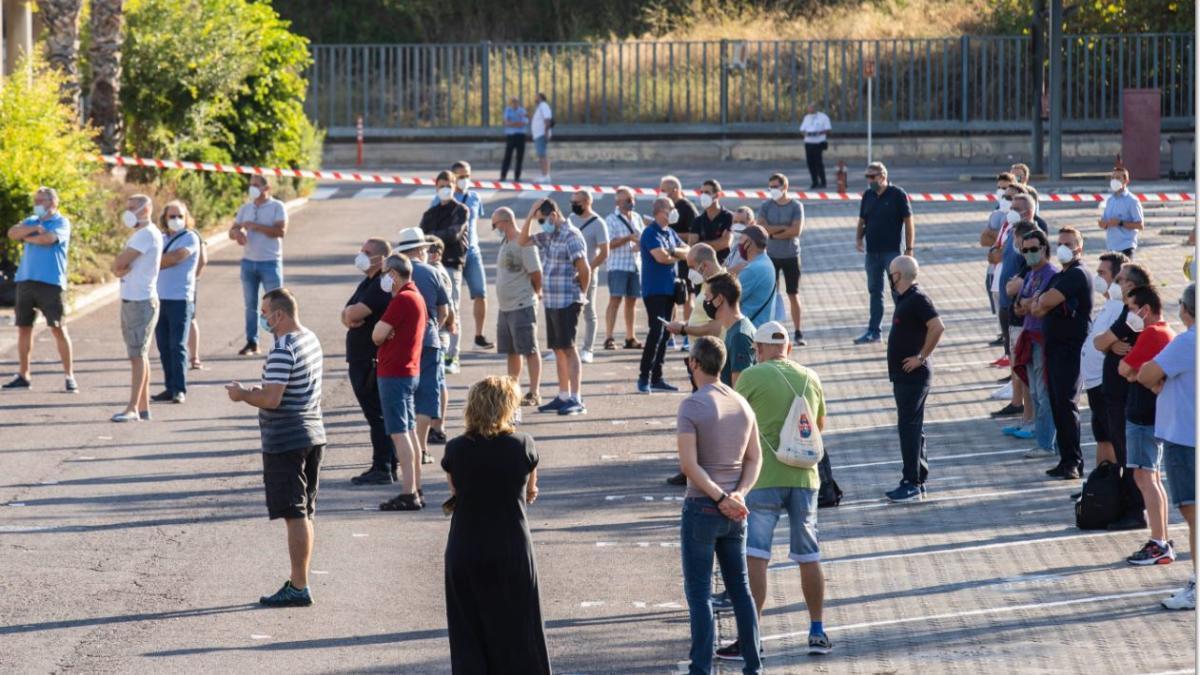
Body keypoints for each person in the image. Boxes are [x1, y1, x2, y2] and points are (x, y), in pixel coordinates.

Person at [723, 321, 832, 660]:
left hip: (763, 478)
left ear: (758, 348)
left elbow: (733, 421)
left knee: (756, 555)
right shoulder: (811, 377)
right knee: (809, 555)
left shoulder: (752, 377)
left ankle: (752, 635)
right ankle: (816, 630)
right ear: (789, 348)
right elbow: (818, 424)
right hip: (804, 477)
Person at [225, 287, 325, 608]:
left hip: (287, 439)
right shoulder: (309, 338)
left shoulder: (283, 348)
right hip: (312, 433)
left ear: (280, 314)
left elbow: (272, 399)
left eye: (265, 312)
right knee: (305, 511)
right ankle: (299, 580)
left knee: (294, 513)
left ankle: (299, 585)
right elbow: (280, 388)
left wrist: (243, 394)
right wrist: (257, 389)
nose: (263, 318)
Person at [442, 375, 550, 673]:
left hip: (466, 547)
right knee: (519, 633)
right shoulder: (523, 445)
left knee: (469, 636)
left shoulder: (455, 449)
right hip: (511, 546)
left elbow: (455, 490)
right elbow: (530, 493)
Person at [676, 336, 764, 675]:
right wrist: (739, 494)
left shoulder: (692, 405)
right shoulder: (742, 403)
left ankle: (701, 668)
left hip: (702, 507)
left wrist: (719, 497)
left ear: (695, 364)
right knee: (740, 590)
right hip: (735, 513)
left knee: (699, 594)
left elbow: (689, 465)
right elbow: (755, 458)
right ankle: (753, 665)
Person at [1137, 284, 1196, 609]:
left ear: (1186, 310)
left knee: (1193, 513)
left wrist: (1160, 381)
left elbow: (1147, 373)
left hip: (1186, 438)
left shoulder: (1188, 341)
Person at [1118, 285, 1176, 565]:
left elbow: (1124, 369)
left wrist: (1136, 374)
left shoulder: (1153, 332)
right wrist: (1137, 374)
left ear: (1145, 309)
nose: (1129, 314)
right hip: (1151, 413)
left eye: (1131, 309)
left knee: (1145, 478)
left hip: (1143, 416)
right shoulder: (1164, 331)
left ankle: (1158, 541)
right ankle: (1161, 536)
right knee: (1150, 477)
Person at [1093, 262, 1153, 529]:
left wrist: (1108, 343)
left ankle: (1134, 512)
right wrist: (1108, 344)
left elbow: (1104, 341)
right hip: (1114, 393)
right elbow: (1100, 342)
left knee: (1129, 454)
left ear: (1132, 285)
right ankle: (1127, 506)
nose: (1115, 283)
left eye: (1120, 279)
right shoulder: (1124, 309)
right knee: (1121, 449)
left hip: (1127, 395)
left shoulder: (1136, 311)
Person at [1031, 227, 1093, 479]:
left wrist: (1040, 301)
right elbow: (1035, 308)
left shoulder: (1076, 274)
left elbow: (1042, 303)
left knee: (1066, 404)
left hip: (1071, 349)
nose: (1063, 247)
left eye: (1068, 243)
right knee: (1057, 403)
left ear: (1079, 247)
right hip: (1054, 348)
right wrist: (1039, 301)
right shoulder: (1061, 275)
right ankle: (1066, 458)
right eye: (1060, 243)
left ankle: (1074, 462)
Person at [519, 198, 590, 416]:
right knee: (558, 349)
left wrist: (582, 294)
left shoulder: (571, 236)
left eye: (542, 220)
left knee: (569, 349)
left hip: (568, 300)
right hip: (551, 300)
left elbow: (584, 267)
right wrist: (531, 214)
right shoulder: (549, 235)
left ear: (553, 216)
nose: (541, 224)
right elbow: (523, 241)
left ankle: (576, 398)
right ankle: (563, 395)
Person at [4, 187, 77, 392]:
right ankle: (23, 374)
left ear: (53, 202)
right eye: (35, 200)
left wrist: (27, 236)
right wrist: (31, 232)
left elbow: (48, 240)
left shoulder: (62, 222)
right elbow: (12, 233)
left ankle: (69, 375)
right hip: (26, 280)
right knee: (24, 328)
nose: (37, 204)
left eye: (41, 200)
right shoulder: (32, 220)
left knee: (58, 328)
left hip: (51, 283)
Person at [885, 256, 944, 502]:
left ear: (898, 275)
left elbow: (938, 326)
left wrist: (920, 357)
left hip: (914, 376)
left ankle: (911, 482)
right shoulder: (905, 298)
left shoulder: (918, 298)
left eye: (890, 273)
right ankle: (918, 478)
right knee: (913, 428)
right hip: (904, 377)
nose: (889, 277)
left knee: (908, 428)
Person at [373, 254, 428, 512]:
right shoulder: (415, 295)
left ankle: (409, 493)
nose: (383, 277)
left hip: (395, 372)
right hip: (408, 371)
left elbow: (377, 334)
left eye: (385, 273)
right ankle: (415, 486)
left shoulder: (403, 298)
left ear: (394, 275)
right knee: (408, 431)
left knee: (400, 433)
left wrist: (385, 332)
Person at [393, 230, 451, 467]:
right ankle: (422, 449)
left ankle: (402, 450)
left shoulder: (392, 274)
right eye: (425, 249)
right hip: (428, 340)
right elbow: (445, 310)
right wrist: (434, 327)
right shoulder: (433, 272)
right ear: (419, 250)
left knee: (403, 396)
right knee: (427, 395)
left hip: (400, 341)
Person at [343, 238, 398, 486]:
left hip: (369, 360)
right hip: (361, 358)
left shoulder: (380, 285)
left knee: (377, 414)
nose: (361, 255)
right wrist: (349, 315)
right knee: (376, 413)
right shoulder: (368, 281)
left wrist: (350, 315)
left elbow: (353, 313)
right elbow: (346, 313)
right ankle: (387, 462)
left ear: (380, 258)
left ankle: (383, 466)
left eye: (366, 252)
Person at [110, 195, 163, 423]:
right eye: (127, 206)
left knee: (137, 355)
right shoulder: (141, 235)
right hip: (134, 299)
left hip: (140, 301)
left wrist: (119, 267)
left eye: (133, 207)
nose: (128, 211)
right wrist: (119, 268)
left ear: (146, 209)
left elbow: (119, 264)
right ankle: (143, 407)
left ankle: (132, 408)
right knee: (139, 354)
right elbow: (119, 266)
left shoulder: (146, 234)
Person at [1008, 229, 1059, 461]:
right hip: (1029, 337)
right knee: (1036, 392)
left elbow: (1040, 304)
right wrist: (1029, 303)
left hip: (1043, 338)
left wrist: (1029, 303)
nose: (1029, 254)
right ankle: (1044, 439)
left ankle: (1046, 443)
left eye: (1033, 249)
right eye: (1025, 250)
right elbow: (1020, 305)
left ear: (1044, 249)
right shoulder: (1030, 274)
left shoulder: (1051, 273)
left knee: (1043, 392)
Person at [1079, 253, 1130, 471]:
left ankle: (1117, 488)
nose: (1098, 277)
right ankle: (1101, 486)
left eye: (1102, 273)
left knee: (1113, 436)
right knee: (1102, 435)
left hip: (1105, 382)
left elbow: (1116, 342)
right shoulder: (1110, 304)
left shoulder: (1121, 308)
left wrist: (1108, 344)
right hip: (1094, 383)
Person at [854, 162, 914, 344]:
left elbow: (909, 222)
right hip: (872, 253)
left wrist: (909, 249)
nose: (869, 181)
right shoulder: (868, 195)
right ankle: (874, 331)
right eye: (867, 177)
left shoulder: (898, 195)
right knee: (875, 291)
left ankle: (905, 329)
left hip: (893, 252)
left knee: (899, 291)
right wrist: (858, 238)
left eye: (872, 177)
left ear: (883, 176)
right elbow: (862, 219)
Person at [230, 175, 287, 356]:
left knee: (277, 304)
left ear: (266, 187)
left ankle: (280, 342)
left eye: (256, 185)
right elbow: (232, 230)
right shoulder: (246, 208)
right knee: (251, 305)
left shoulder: (277, 207)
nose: (252, 188)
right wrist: (237, 234)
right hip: (248, 263)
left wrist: (255, 226)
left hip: (270, 262)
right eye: (251, 185)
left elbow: (280, 231)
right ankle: (252, 342)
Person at [638, 196, 690, 394]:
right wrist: (673, 254)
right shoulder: (650, 233)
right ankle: (644, 377)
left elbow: (688, 251)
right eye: (671, 208)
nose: (674, 210)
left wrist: (672, 252)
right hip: (654, 290)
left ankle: (657, 377)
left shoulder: (670, 232)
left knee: (666, 332)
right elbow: (660, 257)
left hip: (670, 290)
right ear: (661, 211)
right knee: (656, 332)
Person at [492, 207, 544, 407]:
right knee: (511, 351)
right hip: (505, 307)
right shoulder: (505, 242)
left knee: (529, 348)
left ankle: (534, 391)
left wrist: (535, 292)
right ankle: (512, 390)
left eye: (495, 224)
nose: (494, 228)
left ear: (505, 222)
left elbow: (536, 273)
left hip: (522, 304)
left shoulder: (524, 242)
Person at [419, 170, 469, 374]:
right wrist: (431, 238)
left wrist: (432, 237)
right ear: (436, 188)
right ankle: (436, 349)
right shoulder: (430, 213)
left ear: (455, 186)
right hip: (429, 266)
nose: (445, 189)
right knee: (431, 307)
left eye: (448, 185)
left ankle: (452, 356)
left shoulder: (461, 210)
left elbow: (453, 234)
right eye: (441, 186)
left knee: (452, 308)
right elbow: (422, 236)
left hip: (451, 263)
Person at [151, 200, 200, 405]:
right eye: (172, 216)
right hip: (159, 298)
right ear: (164, 218)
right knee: (163, 345)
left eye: (180, 215)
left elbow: (175, 258)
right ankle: (169, 387)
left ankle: (180, 389)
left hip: (180, 299)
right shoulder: (161, 237)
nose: (176, 220)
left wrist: (151, 263)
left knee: (177, 345)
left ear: (186, 217)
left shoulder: (190, 237)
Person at [756, 173, 806, 346]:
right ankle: (771, 330)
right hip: (770, 256)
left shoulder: (796, 206)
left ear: (785, 187)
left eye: (775, 187)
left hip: (791, 255)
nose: (772, 190)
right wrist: (783, 229)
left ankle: (798, 331)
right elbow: (761, 227)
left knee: (793, 294)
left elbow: (796, 231)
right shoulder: (766, 205)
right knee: (770, 296)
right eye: (770, 187)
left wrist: (773, 233)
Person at [660, 175, 700, 348]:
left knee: (686, 296)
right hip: (670, 259)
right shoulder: (666, 207)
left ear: (675, 190)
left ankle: (687, 333)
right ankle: (670, 333)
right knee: (670, 296)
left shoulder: (687, 208)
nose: (661, 193)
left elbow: (693, 234)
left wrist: (672, 235)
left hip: (684, 259)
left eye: (664, 190)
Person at [603, 186, 644, 351]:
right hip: (617, 265)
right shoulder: (611, 219)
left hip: (635, 265)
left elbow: (643, 237)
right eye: (627, 200)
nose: (631, 202)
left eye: (632, 199)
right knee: (615, 300)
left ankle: (630, 337)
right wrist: (628, 238)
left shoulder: (636, 217)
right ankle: (609, 337)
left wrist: (640, 244)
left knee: (632, 302)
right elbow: (609, 244)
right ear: (618, 202)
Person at [571, 190, 609, 364]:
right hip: (568, 273)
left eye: (577, 202)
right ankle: (566, 347)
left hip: (588, 274)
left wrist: (587, 269)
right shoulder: (571, 219)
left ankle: (588, 349)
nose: (573, 205)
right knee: (567, 311)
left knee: (588, 311)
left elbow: (604, 252)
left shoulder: (598, 223)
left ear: (587, 202)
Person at [706, 273, 756, 387]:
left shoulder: (739, 336)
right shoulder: (735, 329)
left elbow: (740, 389)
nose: (706, 302)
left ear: (719, 299)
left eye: (707, 297)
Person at [734, 225, 778, 328]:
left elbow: (728, 299)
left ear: (748, 244)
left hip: (749, 331)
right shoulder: (766, 262)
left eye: (741, 239)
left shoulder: (752, 270)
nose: (738, 243)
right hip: (760, 327)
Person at [1099, 167, 1144, 258]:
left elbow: (1140, 225)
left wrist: (1120, 223)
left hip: (1126, 248)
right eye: (1112, 178)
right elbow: (1105, 221)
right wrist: (1103, 224)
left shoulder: (1132, 200)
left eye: (1118, 178)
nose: (1114, 180)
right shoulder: (1110, 200)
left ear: (1126, 181)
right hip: (1111, 248)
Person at [690, 179, 734, 264]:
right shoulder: (698, 220)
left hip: (724, 266)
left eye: (707, 192)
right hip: (703, 268)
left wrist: (701, 244)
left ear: (717, 195)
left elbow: (725, 243)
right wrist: (718, 242)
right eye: (701, 192)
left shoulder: (729, 217)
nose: (703, 195)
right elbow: (692, 246)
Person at [800, 103, 832, 189]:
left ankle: (823, 181)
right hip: (808, 143)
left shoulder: (823, 117)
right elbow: (802, 130)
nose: (809, 109)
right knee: (810, 163)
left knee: (818, 162)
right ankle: (814, 182)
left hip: (819, 142)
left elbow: (828, 129)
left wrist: (818, 133)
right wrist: (807, 134)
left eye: (811, 108)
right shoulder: (806, 117)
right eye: (808, 108)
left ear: (815, 108)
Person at [188, 237, 208, 370]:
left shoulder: (193, 235)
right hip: (166, 288)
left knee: (190, 318)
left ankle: (194, 356)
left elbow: (203, 259)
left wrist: (194, 277)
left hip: (186, 286)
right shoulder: (162, 234)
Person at [500, 97, 529, 182]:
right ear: (511, 103)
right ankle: (503, 175)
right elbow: (506, 122)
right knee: (507, 156)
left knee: (519, 157)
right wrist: (516, 123)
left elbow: (523, 122)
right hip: (511, 136)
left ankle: (517, 176)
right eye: (513, 102)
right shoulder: (508, 110)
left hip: (520, 136)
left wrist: (512, 123)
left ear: (518, 103)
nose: (514, 104)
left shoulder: (522, 111)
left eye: (516, 102)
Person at [724, 207, 756, 274]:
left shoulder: (753, 245)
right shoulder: (734, 242)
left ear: (752, 224)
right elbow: (727, 263)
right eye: (735, 222)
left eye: (742, 223)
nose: (737, 225)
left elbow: (742, 267)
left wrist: (721, 274)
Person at [530, 92, 553, 182]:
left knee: (542, 155)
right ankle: (544, 174)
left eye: (536, 97)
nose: (535, 98)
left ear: (540, 98)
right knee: (541, 155)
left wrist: (546, 132)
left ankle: (546, 175)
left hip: (541, 134)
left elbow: (547, 119)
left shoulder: (544, 106)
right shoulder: (540, 107)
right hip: (539, 134)